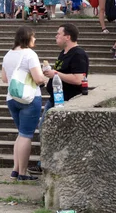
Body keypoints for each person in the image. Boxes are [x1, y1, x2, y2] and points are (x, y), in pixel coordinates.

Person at [29, 23, 89, 175]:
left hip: (68, 101)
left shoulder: (78, 54)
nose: (56, 36)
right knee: (45, 130)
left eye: (58, 34)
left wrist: (55, 74)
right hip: (55, 98)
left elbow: (78, 79)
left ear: (67, 37)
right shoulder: (63, 53)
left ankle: (46, 164)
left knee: (48, 131)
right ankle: (44, 163)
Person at [1, 26, 45, 181]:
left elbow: (5, 79)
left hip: (12, 97)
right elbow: (38, 79)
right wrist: (45, 75)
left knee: (21, 134)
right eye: (33, 37)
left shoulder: (8, 54)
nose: (35, 39)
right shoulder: (30, 54)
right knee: (26, 135)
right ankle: (23, 172)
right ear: (27, 38)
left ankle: (15, 169)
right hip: (29, 98)